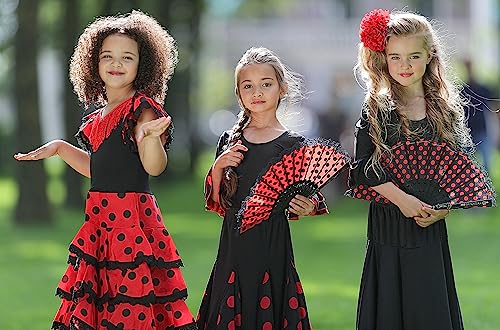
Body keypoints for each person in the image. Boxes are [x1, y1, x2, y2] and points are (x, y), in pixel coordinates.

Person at [14, 11, 197, 330]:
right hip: (100, 222)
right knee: (100, 306)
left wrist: (151, 138)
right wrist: (60, 147)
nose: (117, 63)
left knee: (129, 305)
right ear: (94, 63)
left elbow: (152, 166)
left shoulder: (142, 109)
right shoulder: (98, 117)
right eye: (107, 56)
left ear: (143, 65)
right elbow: (101, 172)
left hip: (130, 225)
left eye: (128, 57)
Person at [349, 9, 478, 329]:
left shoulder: (444, 110)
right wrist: (402, 200)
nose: (404, 65)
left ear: (429, 56)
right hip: (388, 226)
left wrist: (444, 208)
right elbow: (361, 169)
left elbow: (457, 172)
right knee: (389, 310)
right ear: (383, 59)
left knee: (429, 308)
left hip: (428, 227)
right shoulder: (377, 106)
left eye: (413, 56)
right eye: (395, 57)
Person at [196, 47, 329, 329]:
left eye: (265, 84)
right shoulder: (230, 140)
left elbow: (308, 195)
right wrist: (219, 167)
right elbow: (217, 201)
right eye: (248, 86)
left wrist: (308, 205)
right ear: (239, 94)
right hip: (234, 246)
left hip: (273, 245)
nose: (257, 92)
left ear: (281, 88)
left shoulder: (294, 145)